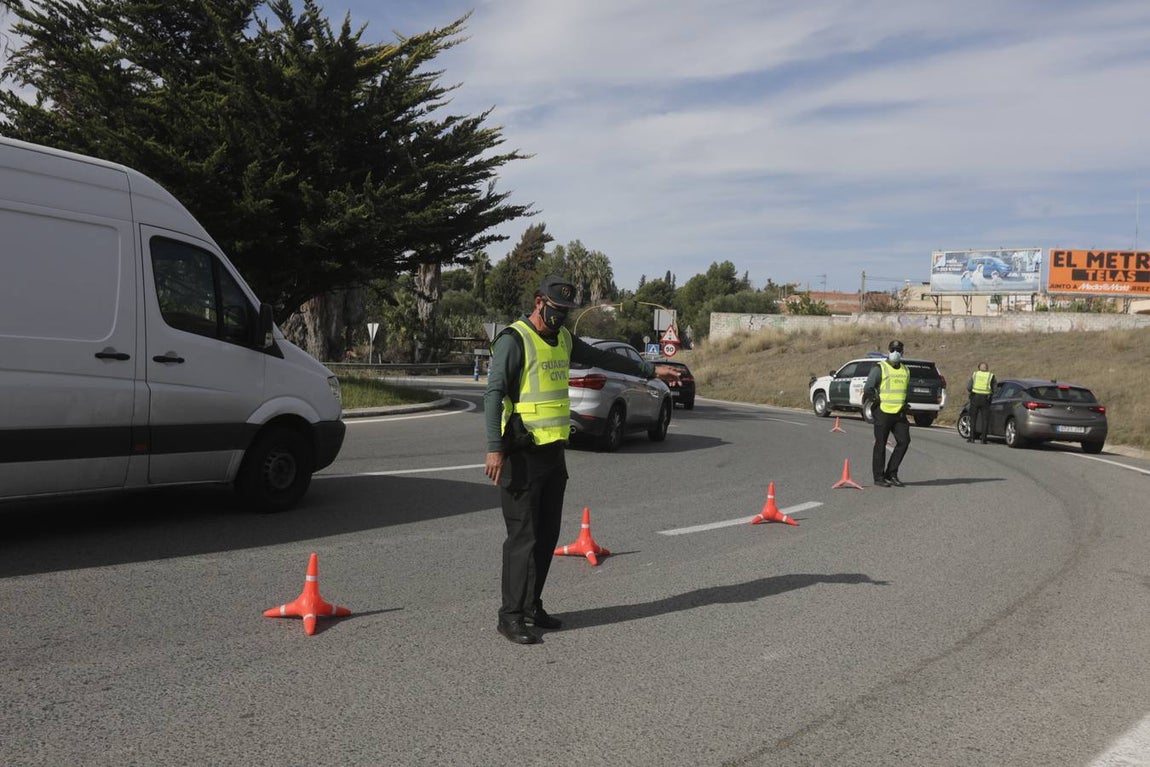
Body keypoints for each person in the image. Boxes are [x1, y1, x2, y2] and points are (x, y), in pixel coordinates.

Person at [483, 275, 680, 645]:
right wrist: (494, 446)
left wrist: (651, 370)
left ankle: (531, 607)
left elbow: (603, 358)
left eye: (567, 312)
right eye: (557, 309)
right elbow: (493, 394)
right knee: (522, 540)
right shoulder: (515, 339)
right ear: (539, 301)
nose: (562, 317)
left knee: (546, 537)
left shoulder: (563, 340)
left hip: (553, 454)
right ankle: (509, 616)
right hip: (520, 454)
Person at [864, 339, 911, 487]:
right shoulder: (880, 368)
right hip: (883, 411)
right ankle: (879, 477)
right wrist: (876, 399)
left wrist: (905, 404)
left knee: (904, 441)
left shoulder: (906, 370)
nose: (895, 353)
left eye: (898, 350)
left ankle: (891, 473)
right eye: (893, 350)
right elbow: (868, 388)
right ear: (889, 351)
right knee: (880, 444)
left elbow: (905, 389)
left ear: (902, 352)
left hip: (899, 413)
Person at [965, 362, 996, 443]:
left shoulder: (975, 374)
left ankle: (971, 438)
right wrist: (991, 395)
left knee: (973, 418)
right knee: (985, 419)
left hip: (975, 397)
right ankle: (983, 439)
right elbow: (994, 389)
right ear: (987, 368)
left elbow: (969, 387)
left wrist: (973, 391)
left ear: (979, 368)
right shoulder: (991, 376)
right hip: (985, 399)